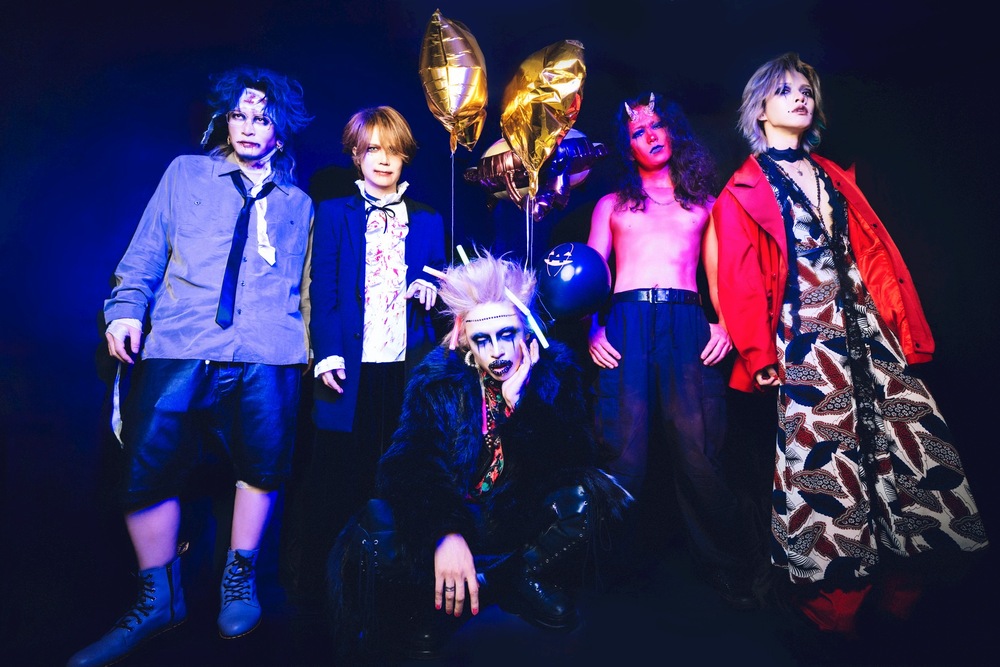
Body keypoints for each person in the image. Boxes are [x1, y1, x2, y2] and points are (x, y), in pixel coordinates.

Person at [712, 52, 989, 637]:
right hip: (807, 338)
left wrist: (898, 324)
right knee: (826, 463)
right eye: (785, 90)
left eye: (806, 89)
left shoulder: (836, 175)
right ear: (759, 109)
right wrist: (759, 355)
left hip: (868, 329)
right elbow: (737, 278)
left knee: (910, 443)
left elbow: (876, 255)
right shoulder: (741, 189)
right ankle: (835, 603)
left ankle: (908, 579)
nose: (800, 97)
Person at [67, 67, 313, 667]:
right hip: (181, 342)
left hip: (268, 352)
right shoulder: (186, 173)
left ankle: (240, 579)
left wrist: (312, 350)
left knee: (261, 468)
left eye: (262, 118)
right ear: (226, 120)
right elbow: (147, 250)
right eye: (239, 115)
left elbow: (306, 289)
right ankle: (158, 599)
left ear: (280, 129)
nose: (248, 127)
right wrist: (126, 311)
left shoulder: (299, 203)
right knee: (145, 472)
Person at [326, 250, 631, 662]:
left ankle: (515, 576)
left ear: (526, 331)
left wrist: (521, 404)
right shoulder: (438, 379)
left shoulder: (555, 372)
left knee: (592, 496)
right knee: (374, 526)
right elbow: (408, 464)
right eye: (483, 340)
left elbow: (570, 461)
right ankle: (451, 587)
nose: (497, 351)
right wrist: (445, 534)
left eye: (507, 334)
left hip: (519, 521)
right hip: (461, 516)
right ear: (465, 340)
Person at [586, 92, 756, 608]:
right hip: (626, 321)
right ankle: (600, 572)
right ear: (628, 146)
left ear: (672, 131)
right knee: (623, 451)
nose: (650, 136)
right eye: (637, 132)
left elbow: (716, 275)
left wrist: (723, 324)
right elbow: (592, 275)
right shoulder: (611, 204)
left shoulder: (703, 203)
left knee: (699, 451)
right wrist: (594, 330)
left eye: (656, 125)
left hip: (686, 322)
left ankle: (728, 566)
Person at [282, 106, 445, 600]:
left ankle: (399, 589)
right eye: (373, 148)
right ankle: (322, 593)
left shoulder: (429, 219)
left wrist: (433, 288)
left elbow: (444, 288)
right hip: (348, 372)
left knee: (401, 479)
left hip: (405, 369)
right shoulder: (334, 213)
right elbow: (323, 289)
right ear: (356, 155)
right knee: (336, 484)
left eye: (393, 150)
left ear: (405, 157)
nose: (383, 159)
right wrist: (328, 353)